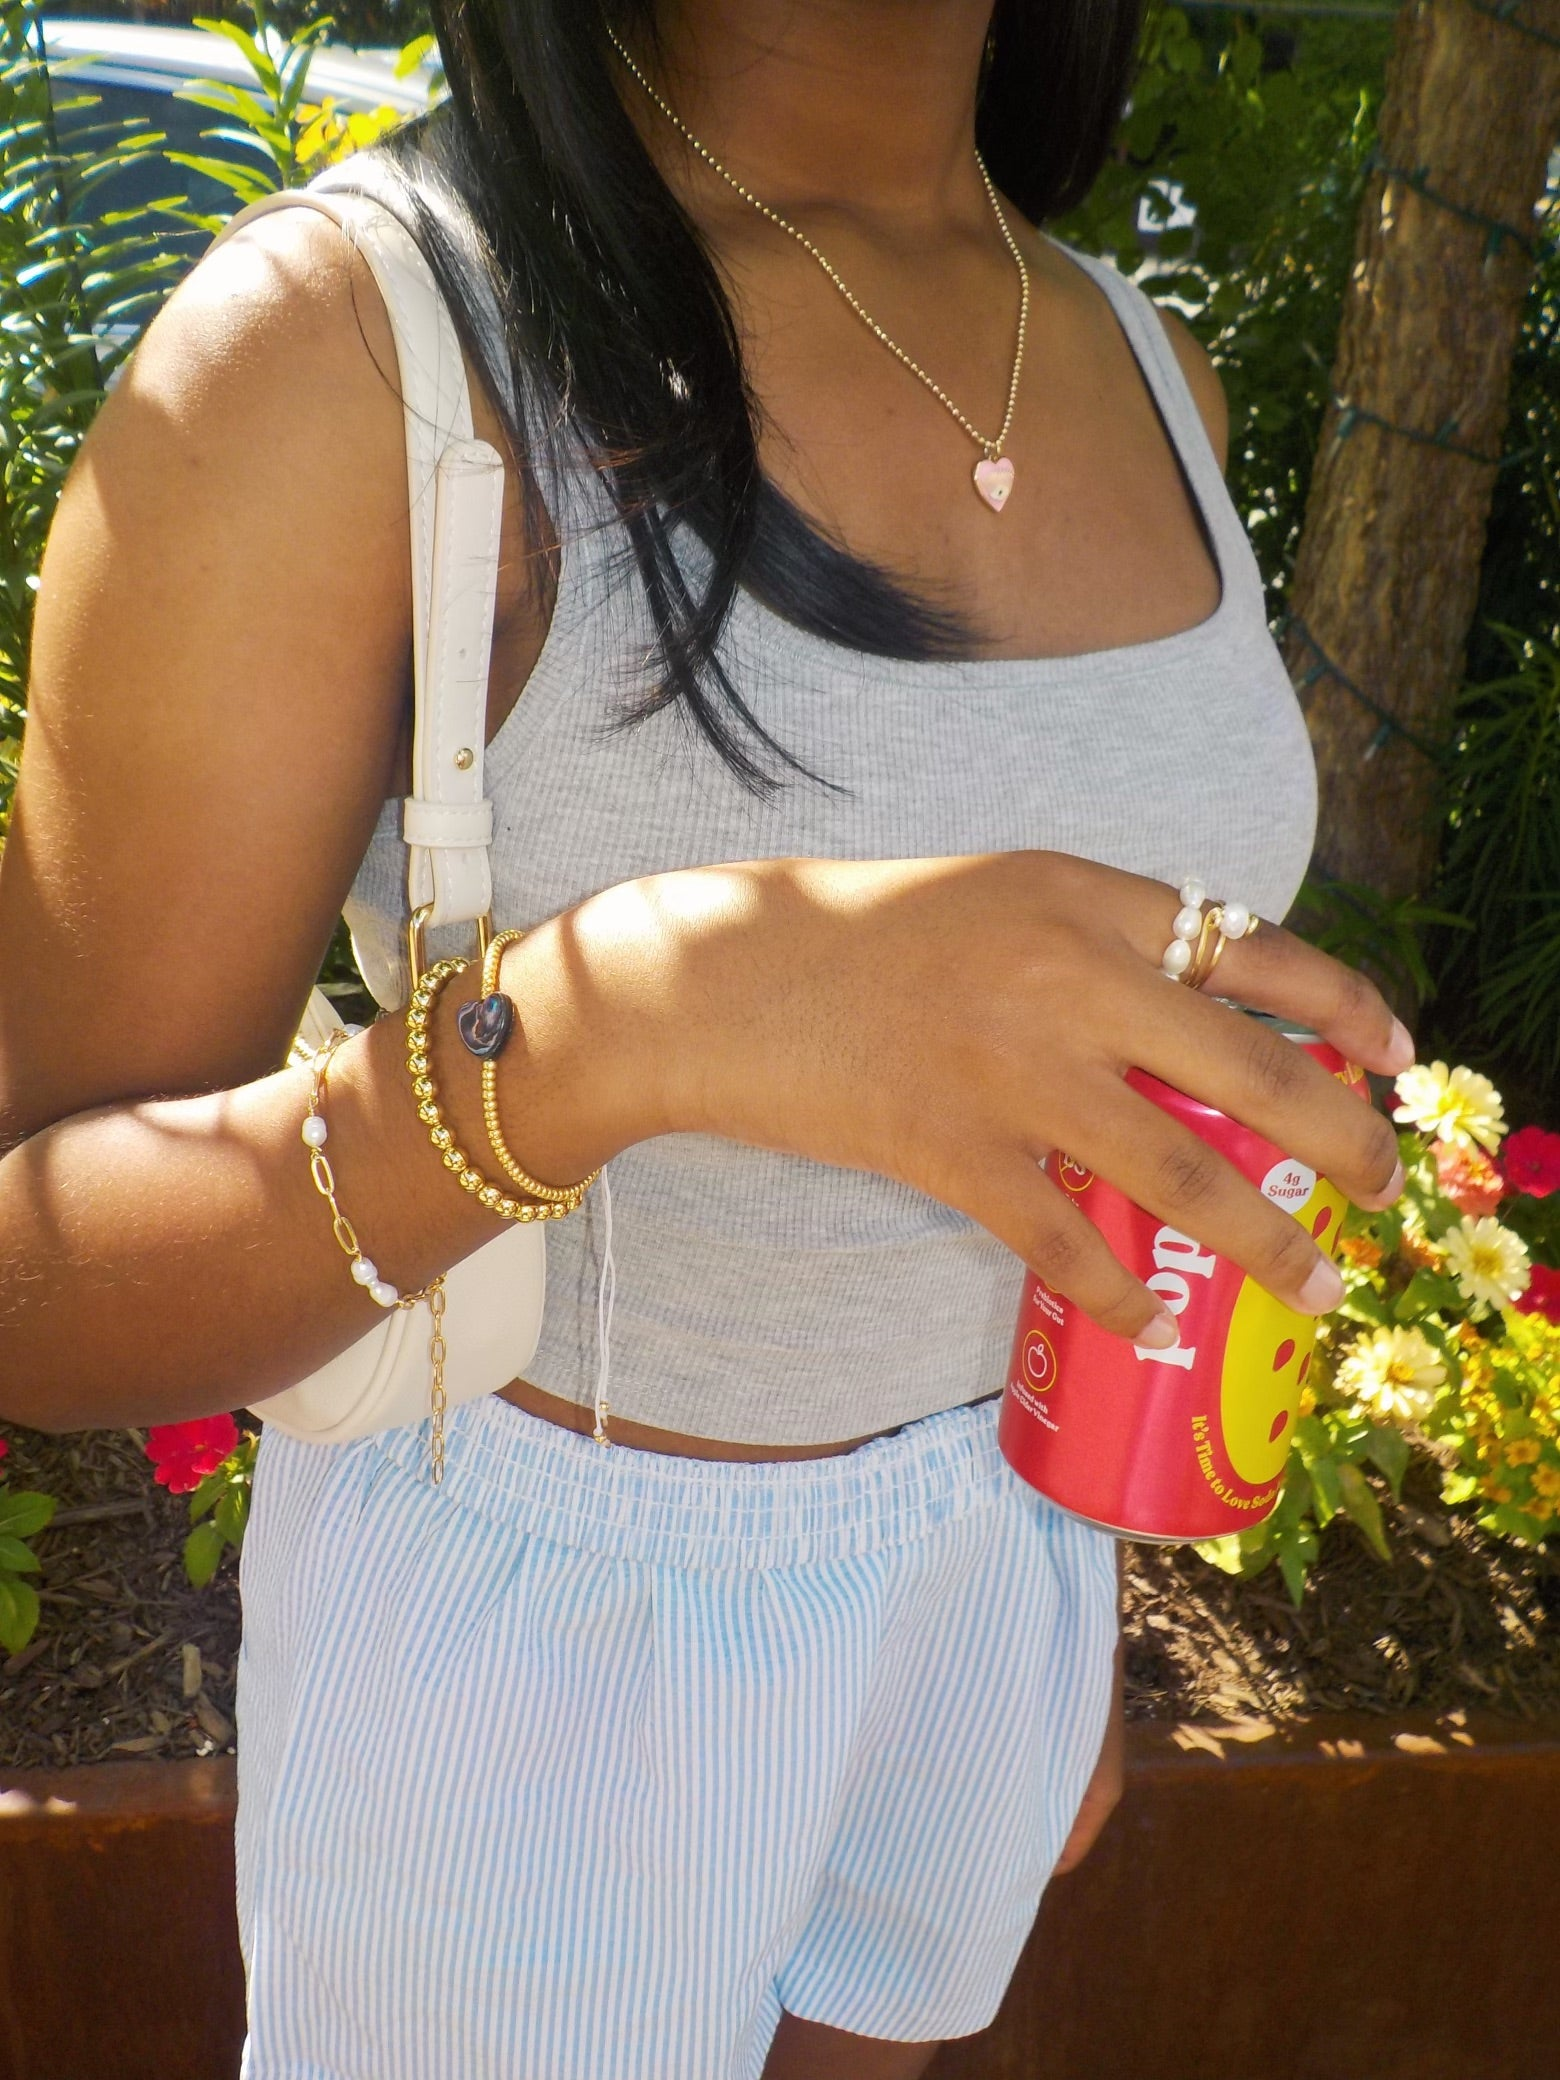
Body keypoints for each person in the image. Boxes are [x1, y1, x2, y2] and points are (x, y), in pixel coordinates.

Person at [0, 2, 1410, 2074]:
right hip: (539, 1664)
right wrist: (632, 1012)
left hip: (992, 1577)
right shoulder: (347, 349)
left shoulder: (1139, 354)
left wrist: (1034, 1585)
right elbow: (35, 1282)